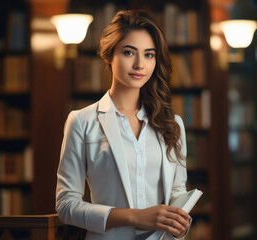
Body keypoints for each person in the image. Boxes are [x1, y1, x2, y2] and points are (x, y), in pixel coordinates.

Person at [56, 9, 190, 240]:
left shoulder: (172, 124)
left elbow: (178, 192)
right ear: (109, 55)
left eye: (149, 55)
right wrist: (135, 217)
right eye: (129, 52)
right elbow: (67, 205)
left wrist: (181, 224)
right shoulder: (81, 121)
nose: (140, 64)